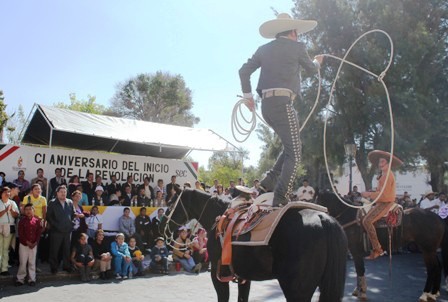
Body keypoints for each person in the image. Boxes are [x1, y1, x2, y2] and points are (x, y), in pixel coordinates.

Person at [239, 13, 323, 207]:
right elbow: (311, 69)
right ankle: (280, 196)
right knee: (295, 153)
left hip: (267, 107)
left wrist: (247, 97)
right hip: (284, 104)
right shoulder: (298, 47)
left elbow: (243, 71)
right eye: (298, 33)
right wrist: (318, 61)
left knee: (289, 147)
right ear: (293, 32)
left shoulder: (263, 49)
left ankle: (268, 181)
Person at [361, 150, 403, 260]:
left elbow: (384, 196)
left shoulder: (386, 176)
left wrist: (369, 194)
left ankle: (377, 249)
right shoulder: (384, 175)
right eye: (379, 161)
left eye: (383, 161)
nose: (380, 163)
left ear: (388, 163)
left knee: (367, 221)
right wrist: (372, 192)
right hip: (382, 201)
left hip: (386, 203)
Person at [46, 185, 76, 274]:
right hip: (56, 230)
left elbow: (73, 214)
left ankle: (66, 266)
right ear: (57, 193)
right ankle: (54, 267)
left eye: (65, 192)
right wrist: (56, 225)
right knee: (54, 250)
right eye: (61, 192)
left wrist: (72, 223)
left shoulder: (70, 202)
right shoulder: (52, 202)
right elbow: (49, 217)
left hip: (67, 231)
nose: (63, 193)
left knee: (67, 250)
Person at [16, 203, 42, 286]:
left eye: (30, 209)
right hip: (24, 245)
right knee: (23, 262)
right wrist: (27, 242)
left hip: (33, 245)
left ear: (33, 210)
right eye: (26, 210)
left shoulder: (37, 221)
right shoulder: (22, 221)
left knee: (32, 262)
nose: (28, 211)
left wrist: (35, 243)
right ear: (24, 211)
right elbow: (20, 234)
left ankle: (32, 279)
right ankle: (20, 279)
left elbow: (38, 233)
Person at [0, 186, 20, 275]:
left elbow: (16, 215)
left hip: (10, 227)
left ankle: (4, 269)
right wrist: (5, 210)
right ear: (1, 193)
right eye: (5, 192)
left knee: (6, 249)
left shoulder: (12, 202)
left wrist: (11, 210)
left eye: (8, 192)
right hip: (0, 226)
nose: (7, 194)